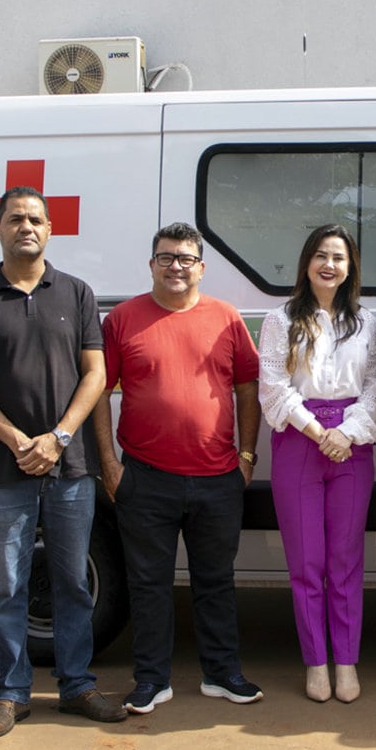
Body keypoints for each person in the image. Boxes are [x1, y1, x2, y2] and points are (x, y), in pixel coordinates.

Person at [0, 187, 121, 739]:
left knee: (72, 581)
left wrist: (59, 436)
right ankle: (13, 691)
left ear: (50, 230)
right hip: (3, 470)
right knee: (6, 585)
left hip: (70, 469)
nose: (27, 227)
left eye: (36, 220)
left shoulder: (76, 292)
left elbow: (95, 374)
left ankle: (76, 685)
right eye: (16, 219)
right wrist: (19, 439)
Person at [95, 223, 263, 715]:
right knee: (148, 583)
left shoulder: (226, 318)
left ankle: (222, 673)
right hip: (145, 476)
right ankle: (151, 679)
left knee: (216, 580)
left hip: (218, 479)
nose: (176, 266)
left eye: (186, 258)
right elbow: (99, 393)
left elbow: (248, 389)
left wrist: (247, 457)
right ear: (151, 265)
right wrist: (110, 464)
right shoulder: (123, 320)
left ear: (201, 268)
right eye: (166, 257)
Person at [258, 225, 376, 703]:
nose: (328, 265)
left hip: (352, 444)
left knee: (345, 562)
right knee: (306, 563)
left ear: (350, 267)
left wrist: (346, 433)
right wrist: (317, 431)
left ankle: (346, 662)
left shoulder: (367, 322)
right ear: (306, 263)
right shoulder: (281, 319)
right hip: (299, 442)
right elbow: (273, 385)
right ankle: (316, 663)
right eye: (320, 255)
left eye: (338, 257)